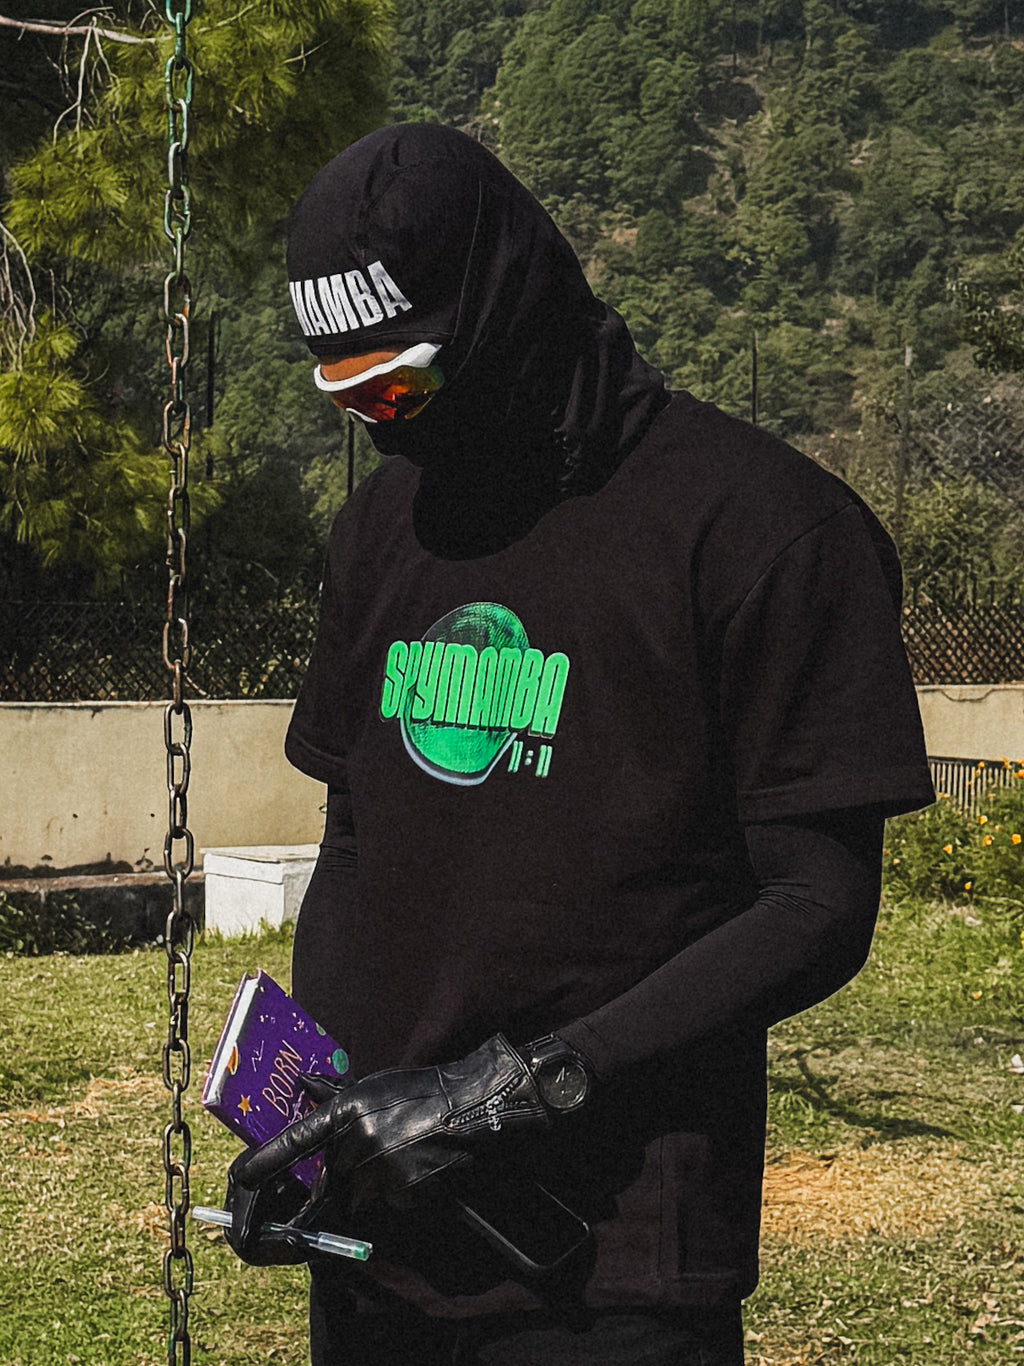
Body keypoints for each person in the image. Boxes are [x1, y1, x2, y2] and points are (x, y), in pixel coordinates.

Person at [222, 123, 935, 1365]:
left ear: (499, 307)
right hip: (383, 1231)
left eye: (397, 387)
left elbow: (816, 903)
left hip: (607, 1259)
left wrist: (512, 1089)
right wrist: (310, 1114)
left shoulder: (763, 526)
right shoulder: (385, 524)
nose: (380, 429)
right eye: (343, 394)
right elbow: (356, 835)